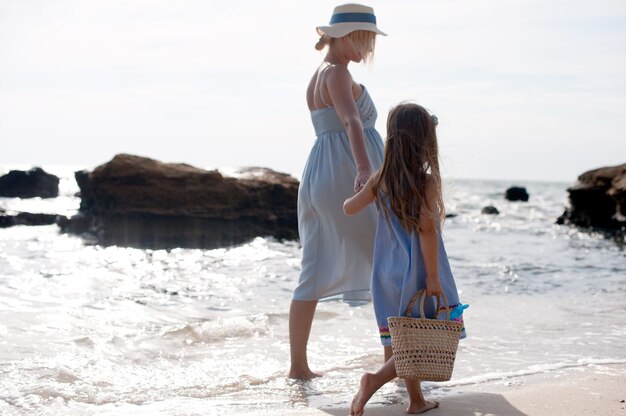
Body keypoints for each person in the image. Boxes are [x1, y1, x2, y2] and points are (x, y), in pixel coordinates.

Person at [343, 102, 467, 415]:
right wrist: (434, 278)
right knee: (422, 337)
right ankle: (373, 380)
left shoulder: (380, 179)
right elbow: (426, 231)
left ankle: (416, 401)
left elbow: (349, 208)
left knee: (400, 335)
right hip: (418, 271)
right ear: (426, 141)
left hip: (385, 271)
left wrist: (360, 185)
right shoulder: (425, 182)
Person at [288, 3, 387, 380]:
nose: (367, 50)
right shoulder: (339, 74)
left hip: (319, 172)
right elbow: (350, 121)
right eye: (364, 40)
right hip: (348, 173)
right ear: (345, 37)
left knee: (312, 268)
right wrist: (365, 168)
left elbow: (335, 124)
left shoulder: (319, 74)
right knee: (385, 259)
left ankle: (298, 367)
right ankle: (394, 362)